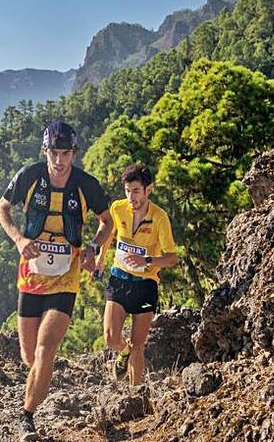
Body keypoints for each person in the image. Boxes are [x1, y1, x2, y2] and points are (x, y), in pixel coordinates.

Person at [0, 121, 113, 441]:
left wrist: (93, 248)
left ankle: (26, 417)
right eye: (53, 153)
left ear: (74, 152)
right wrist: (19, 240)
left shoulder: (86, 185)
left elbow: (107, 222)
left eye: (65, 153)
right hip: (30, 273)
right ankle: (40, 383)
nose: (59, 160)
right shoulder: (30, 175)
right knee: (29, 356)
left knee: (46, 351)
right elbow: (2, 208)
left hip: (66, 276)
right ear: (45, 151)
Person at [99, 164, 179, 385]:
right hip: (119, 279)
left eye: (135, 191)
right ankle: (122, 353)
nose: (130, 196)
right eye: (127, 190)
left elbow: (172, 258)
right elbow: (108, 232)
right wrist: (100, 259)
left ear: (148, 190)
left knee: (138, 345)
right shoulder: (118, 208)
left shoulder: (159, 217)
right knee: (110, 338)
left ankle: (135, 394)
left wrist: (148, 261)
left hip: (145, 285)